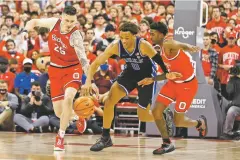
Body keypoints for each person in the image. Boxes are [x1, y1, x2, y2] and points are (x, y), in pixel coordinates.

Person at [81, 22, 181, 152]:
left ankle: (167, 141)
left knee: (143, 116)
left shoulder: (144, 45)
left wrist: (167, 76)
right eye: (121, 37)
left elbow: (159, 62)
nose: (123, 41)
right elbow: (96, 63)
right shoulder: (115, 46)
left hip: (146, 76)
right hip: (130, 73)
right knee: (110, 100)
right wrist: (88, 81)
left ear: (135, 36)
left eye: (127, 38)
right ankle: (105, 138)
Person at [22, 6, 97, 151]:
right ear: (62, 17)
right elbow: (33, 21)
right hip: (55, 70)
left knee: (69, 98)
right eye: (67, 20)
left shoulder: (76, 35)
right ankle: (78, 117)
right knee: (59, 113)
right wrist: (26, 31)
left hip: (72, 69)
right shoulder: (53, 23)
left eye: (73, 21)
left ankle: (60, 138)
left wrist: (89, 81)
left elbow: (83, 60)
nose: (70, 24)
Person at [138, 22, 208, 155]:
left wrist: (189, 47)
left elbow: (179, 45)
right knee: (156, 111)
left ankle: (199, 123)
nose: (150, 36)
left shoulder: (168, 43)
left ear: (160, 34)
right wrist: (151, 79)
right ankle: (166, 143)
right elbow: (166, 74)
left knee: (178, 121)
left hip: (187, 86)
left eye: (152, 33)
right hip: (172, 83)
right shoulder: (159, 50)